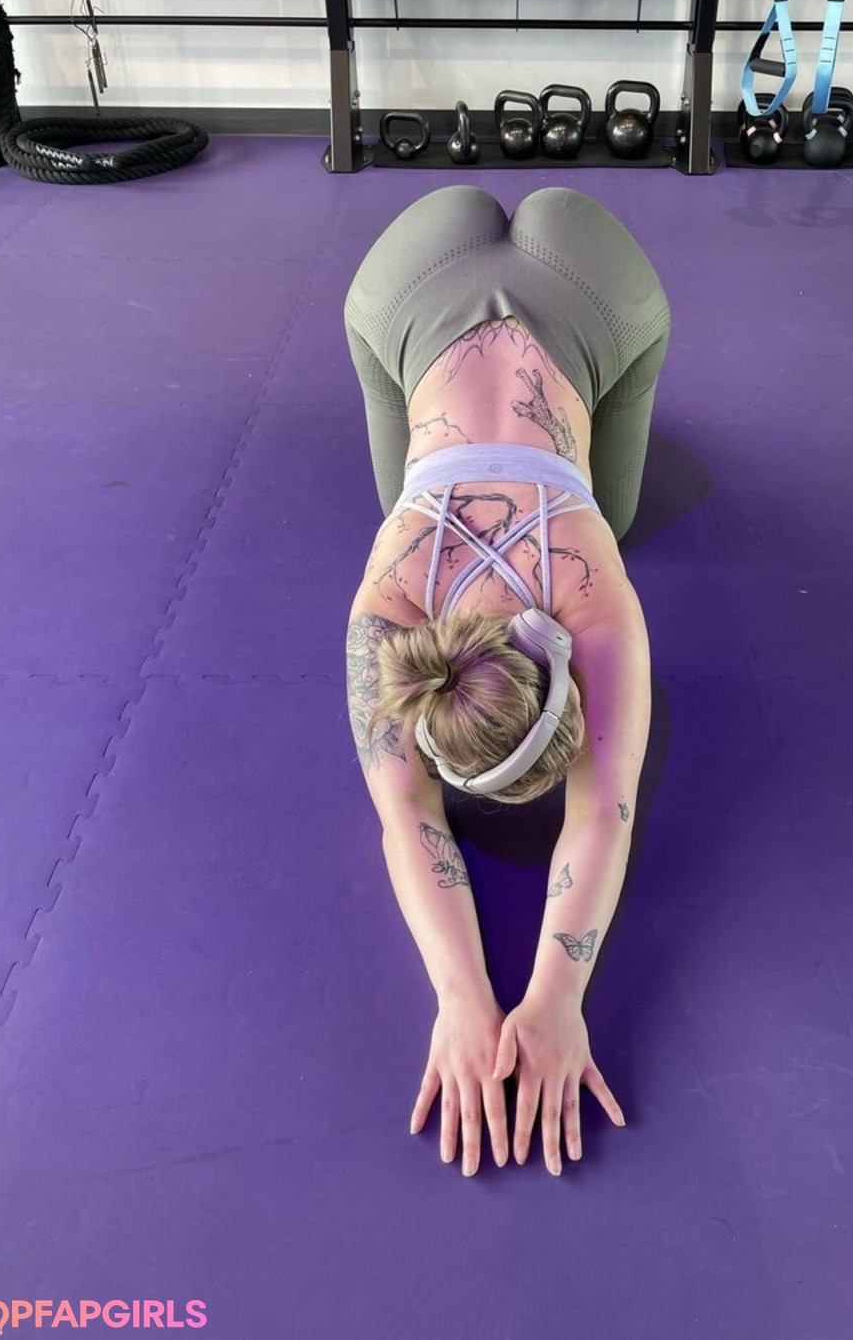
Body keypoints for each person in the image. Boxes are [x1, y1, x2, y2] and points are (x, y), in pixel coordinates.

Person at [343, 185, 670, 1179]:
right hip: (436, 274)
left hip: (478, 276)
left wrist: (526, 996)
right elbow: (592, 811)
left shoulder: (584, 589)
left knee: (620, 512)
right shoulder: (393, 608)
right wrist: (487, 994)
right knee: (614, 507)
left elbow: (414, 816)